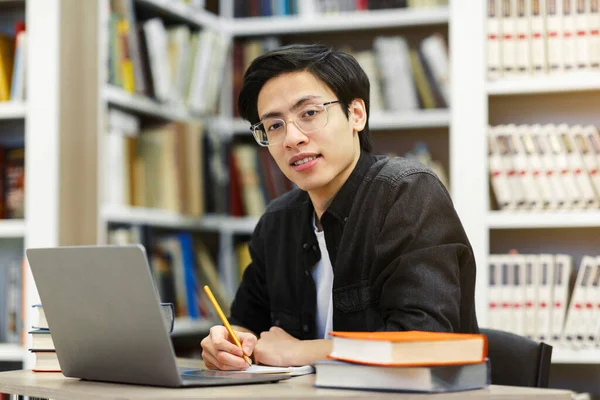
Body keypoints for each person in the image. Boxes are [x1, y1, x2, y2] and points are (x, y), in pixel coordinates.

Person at [200, 44, 478, 371]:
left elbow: (423, 342)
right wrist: (228, 343)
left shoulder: (405, 192)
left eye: (310, 113)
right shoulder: (278, 221)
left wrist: (301, 352)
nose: (292, 138)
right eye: (274, 126)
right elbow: (247, 323)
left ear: (356, 114)